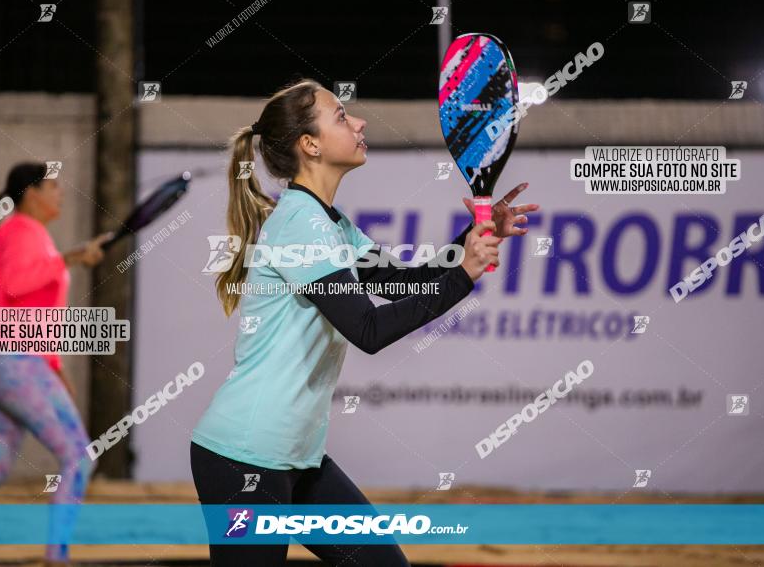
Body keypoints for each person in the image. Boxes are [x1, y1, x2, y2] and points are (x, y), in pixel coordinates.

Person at [191, 78, 538, 566]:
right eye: (341, 116)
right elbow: (368, 330)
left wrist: (470, 238)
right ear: (309, 145)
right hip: (244, 459)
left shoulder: (329, 222)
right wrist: (463, 275)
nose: (359, 122)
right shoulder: (299, 225)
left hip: (298, 458)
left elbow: (402, 283)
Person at [0, 162, 111, 566]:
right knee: (79, 456)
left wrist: (56, 369)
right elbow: (16, 285)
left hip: (7, 365)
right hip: (16, 364)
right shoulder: (20, 229)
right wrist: (70, 258)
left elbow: (33, 312)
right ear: (31, 193)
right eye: (53, 186)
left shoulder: (27, 233)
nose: (61, 193)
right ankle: (57, 557)